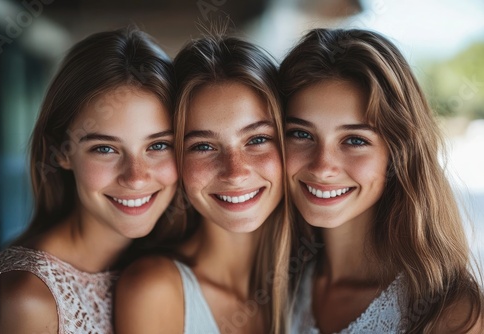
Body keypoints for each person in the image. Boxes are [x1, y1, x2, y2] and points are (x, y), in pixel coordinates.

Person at [279, 28, 484, 333]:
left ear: (398, 153)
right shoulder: (274, 285)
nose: (322, 167)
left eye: (355, 140)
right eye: (301, 134)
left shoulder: (450, 312)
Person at [0, 27, 177, 334]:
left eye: (158, 145)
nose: (136, 177)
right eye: (105, 148)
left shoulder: (168, 260)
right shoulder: (25, 299)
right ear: (61, 151)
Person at [115, 34, 291, 334]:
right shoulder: (153, 291)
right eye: (203, 146)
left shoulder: (317, 279)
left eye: (257, 139)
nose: (234, 172)